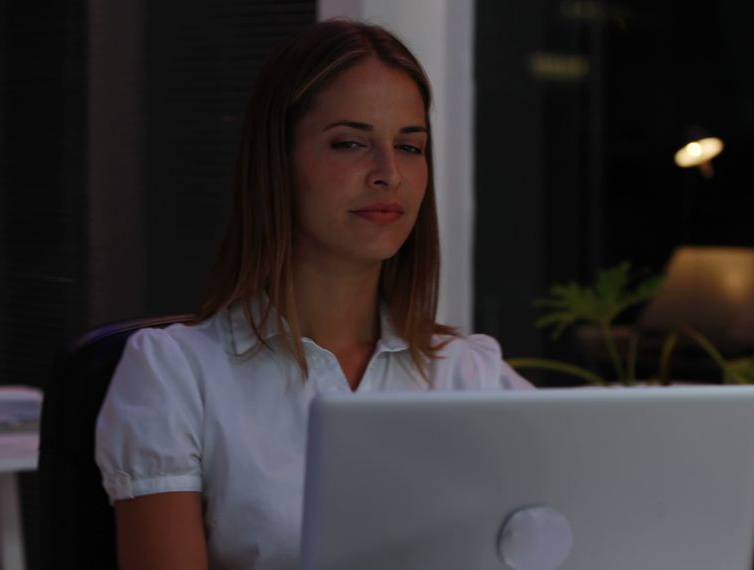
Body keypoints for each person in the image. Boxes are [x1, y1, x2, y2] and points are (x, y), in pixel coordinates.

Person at [95, 19, 531, 570]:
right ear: (277, 161)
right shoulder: (175, 374)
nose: (389, 174)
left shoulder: (473, 375)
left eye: (410, 146)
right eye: (350, 143)